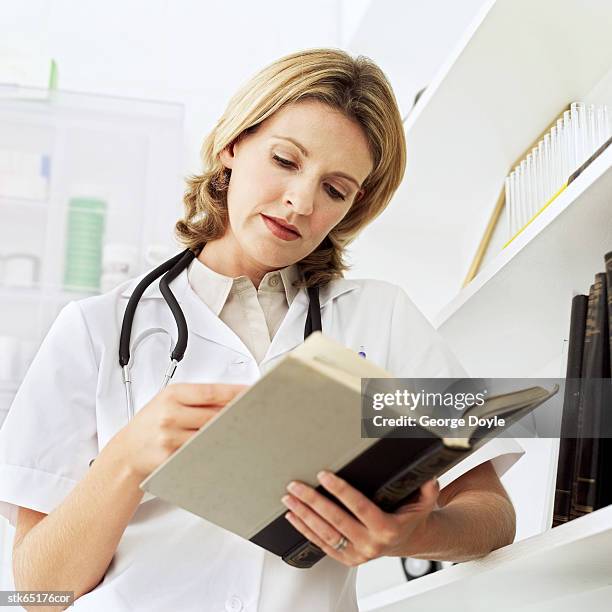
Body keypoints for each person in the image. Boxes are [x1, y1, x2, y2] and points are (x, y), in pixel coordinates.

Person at [0, 48, 524, 611]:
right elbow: (39, 590)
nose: (301, 201)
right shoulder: (97, 328)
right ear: (233, 144)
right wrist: (127, 458)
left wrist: (413, 536)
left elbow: (492, 514)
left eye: (335, 189)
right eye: (285, 160)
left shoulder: (380, 316)